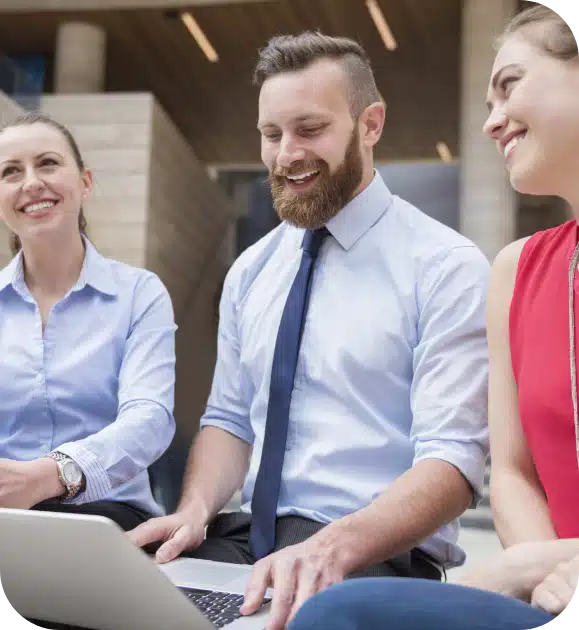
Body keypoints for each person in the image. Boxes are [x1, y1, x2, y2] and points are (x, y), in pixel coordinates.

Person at [129, 31, 490, 630]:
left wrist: (334, 546)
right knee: (116, 603)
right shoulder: (252, 270)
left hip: (373, 557)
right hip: (249, 543)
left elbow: (453, 464)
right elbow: (229, 420)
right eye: (271, 135)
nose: (286, 153)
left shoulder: (445, 266)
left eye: (309, 129)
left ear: (369, 124)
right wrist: (193, 510)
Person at [286, 3, 579, 629]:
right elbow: (513, 472)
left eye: (511, 86)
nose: (491, 123)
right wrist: (544, 575)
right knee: (339, 614)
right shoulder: (515, 271)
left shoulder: (440, 263)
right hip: (559, 599)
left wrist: (518, 572)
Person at [0, 113, 176, 533]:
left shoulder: (139, 294)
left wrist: (50, 475)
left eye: (47, 163)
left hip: (108, 516)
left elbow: (149, 418)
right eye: (10, 171)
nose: (31, 182)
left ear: (85, 183)